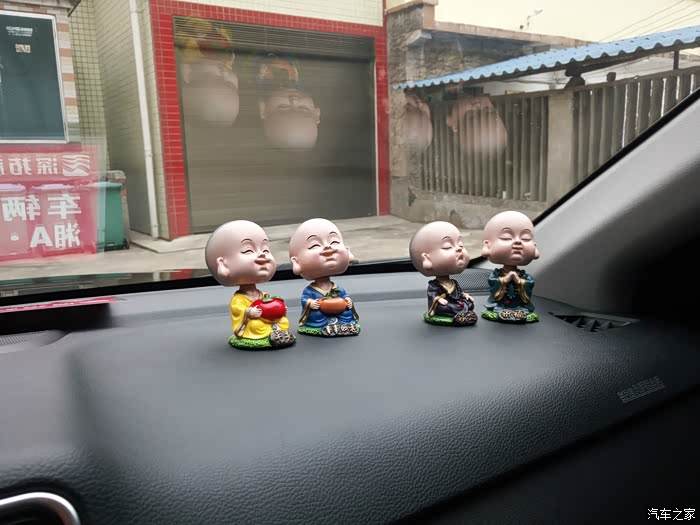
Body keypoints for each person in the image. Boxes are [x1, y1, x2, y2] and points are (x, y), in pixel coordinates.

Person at [204, 220, 295, 349]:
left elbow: (270, 307)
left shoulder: (263, 295)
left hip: (269, 322)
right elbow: (238, 311)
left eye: (265, 249)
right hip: (254, 325)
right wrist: (249, 312)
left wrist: (279, 310)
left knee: (284, 322)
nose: (262, 254)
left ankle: (277, 334)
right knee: (255, 325)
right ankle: (263, 336)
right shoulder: (238, 299)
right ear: (223, 264)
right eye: (248, 250)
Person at [288, 218, 359, 337]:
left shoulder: (338, 289)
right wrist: (311, 303)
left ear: (347, 250)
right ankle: (321, 325)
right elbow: (305, 299)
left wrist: (347, 301)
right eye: (315, 245)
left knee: (347, 312)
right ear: (296, 261)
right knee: (316, 315)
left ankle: (345, 324)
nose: (327, 247)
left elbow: (344, 296)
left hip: (339, 310)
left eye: (334, 242)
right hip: (320, 314)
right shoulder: (310, 290)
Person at [409, 221, 477, 326]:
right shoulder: (434, 285)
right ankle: (459, 314)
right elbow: (433, 296)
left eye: (461, 245)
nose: (459, 248)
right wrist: (439, 300)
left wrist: (465, 295)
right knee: (447, 307)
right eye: (447, 246)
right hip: (446, 305)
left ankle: (463, 314)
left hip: (456, 303)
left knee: (469, 303)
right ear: (427, 258)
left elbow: (459, 293)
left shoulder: (453, 282)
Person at [481, 210, 540, 323]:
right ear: (487, 245)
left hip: (520, 306)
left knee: (522, 310)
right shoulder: (496, 275)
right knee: (498, 308)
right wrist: (505, 280)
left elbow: (530, 284)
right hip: (499, 305)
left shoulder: (525, 277)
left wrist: (519, 281)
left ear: (534, 246)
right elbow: (493, 283)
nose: (518, 242)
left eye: (525, 238)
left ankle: (519, 311)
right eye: (506, 237)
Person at [180, 20, 239, 127]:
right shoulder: (226, 61)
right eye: (231, 85)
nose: (224, 74)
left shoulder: (191, 52)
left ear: (188, 73)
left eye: (216, 78)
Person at [256, 53, 321, 150]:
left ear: (263, 109)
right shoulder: (314, 76)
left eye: (283, 106)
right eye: (303, 108)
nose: (293, 100)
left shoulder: (256, 82)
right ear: (317, 113)